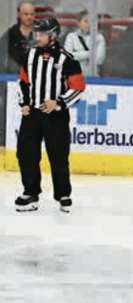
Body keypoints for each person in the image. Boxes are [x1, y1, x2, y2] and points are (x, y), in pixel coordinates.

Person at [16, 17, 86, 213]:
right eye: (36, 33)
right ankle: (30, 193)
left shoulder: (67, 58)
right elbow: (22, 81)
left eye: (42, 33)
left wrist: (59, 102)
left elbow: (78, 87)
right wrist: (24, 103)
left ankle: (63, 194)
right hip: (32, 115)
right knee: (26, 154)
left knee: (58, 156)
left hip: (55, 117)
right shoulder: (29, 55)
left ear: (53, 35)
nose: (37, 36)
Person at [64, 10, 106, 77]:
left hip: (93, 78)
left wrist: (76, 55)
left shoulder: (99, 38)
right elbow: (67, 57)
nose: (88, 24)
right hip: (74, 77)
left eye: (91, 22)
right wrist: (89, 53)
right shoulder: (71, 37)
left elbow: (99, 60)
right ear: (78, 23)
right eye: (86, 21)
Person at [0, 1, 35, 73]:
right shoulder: (10, 34)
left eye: (32, 14)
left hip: (36, 78)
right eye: (26, 14)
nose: (29, 17)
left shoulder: (42, 34)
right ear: (19, 14)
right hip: (13, 78)